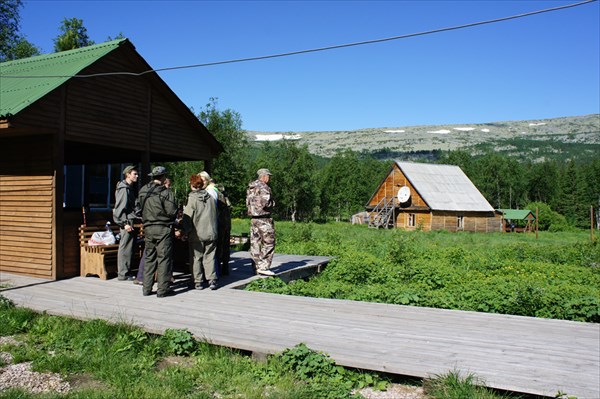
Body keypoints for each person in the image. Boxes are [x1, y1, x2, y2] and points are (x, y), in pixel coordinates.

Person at [138, 166, 178, 297]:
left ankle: (146, 288)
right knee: (164, 259)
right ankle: (162, 290)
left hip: (148, 228)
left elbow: (138, 208)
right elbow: (172, 212)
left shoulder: (143, 190)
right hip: (162, 228)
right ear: (163, 177)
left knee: (149, 257)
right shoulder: (166, 193)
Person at [182, 174, 219, 290]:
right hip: (211, 232)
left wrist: (185, 232)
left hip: (197, 233)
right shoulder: (211, 198)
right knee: (210, 256)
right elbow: (216, 213)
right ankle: (211, 279)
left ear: (192, 185)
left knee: (196, 257)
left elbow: (187, 217)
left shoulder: (192, 199)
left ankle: (198, 281)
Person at [113, 165, 140, 281]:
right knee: (125, 248)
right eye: (135, 174)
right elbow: (119, 208)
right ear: (128, 174)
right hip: (127, 222)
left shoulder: (129, 188)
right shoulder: (123, 189)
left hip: (131, 221)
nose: (137, 176)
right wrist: (124, 223)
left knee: (130, 248)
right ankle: (123, 273)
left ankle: (126, 272)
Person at [246, 168, 276, 276]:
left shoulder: (251, 187)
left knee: (255, 243)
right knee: (269, 242)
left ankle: (255, 266)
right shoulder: (264, 187)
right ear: (264, 176)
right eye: (268, 176)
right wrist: (273, 203)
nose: (269, 178)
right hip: (264, 218)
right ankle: (263, 266)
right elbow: (266, 203)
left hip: (253, 218)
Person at [216, 183, 232, 276]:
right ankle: (225, 267)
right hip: (226, 223)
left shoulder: (219, 196)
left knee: (219, 246)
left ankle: (219, 267)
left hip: (221, 224)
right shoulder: (225, 197)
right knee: (225, 246)